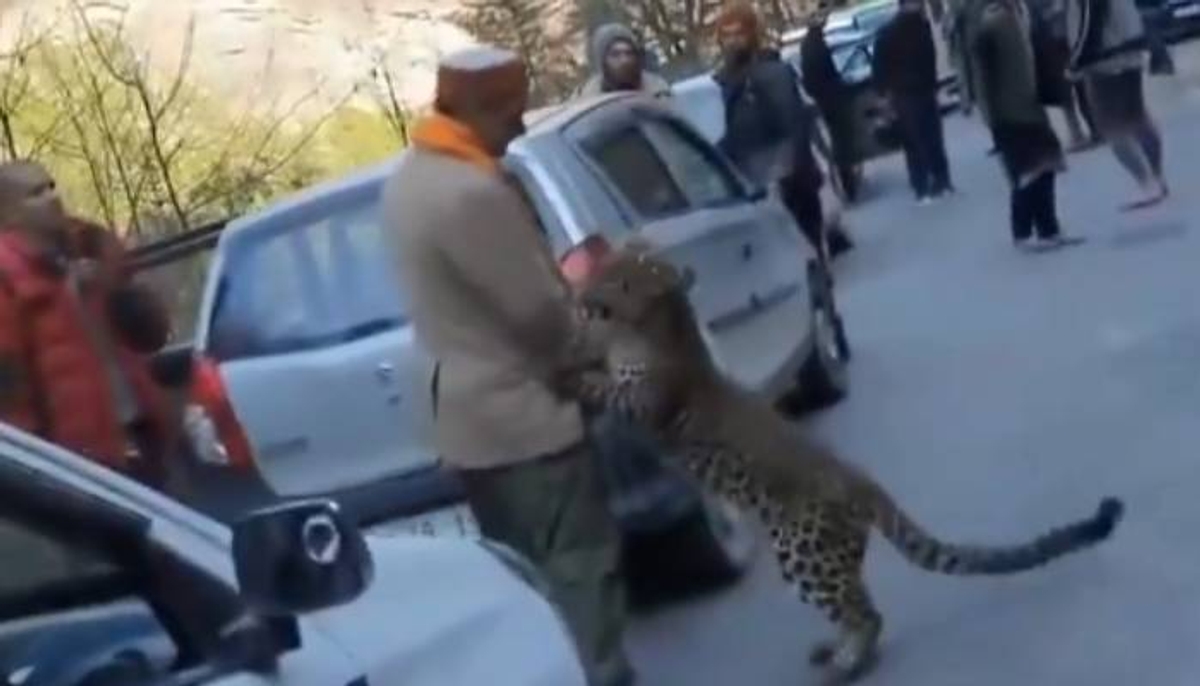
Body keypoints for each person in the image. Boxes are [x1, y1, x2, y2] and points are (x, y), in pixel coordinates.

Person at [381, 46, 634, 686]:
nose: (519, 126)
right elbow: (540, 314)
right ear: (478, 108)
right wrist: (603, 350)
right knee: (580, 569)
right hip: (528, 420)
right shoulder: (472, 192)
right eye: (510, 112)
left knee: (529, 586)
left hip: (471, 426)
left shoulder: (408, 179)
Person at [0, 161, 176, 485]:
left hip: (142, 432)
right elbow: (9, 392)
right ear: (9, 213)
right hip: (81, 464)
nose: (52, 197)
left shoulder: (85, 250)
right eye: (35, 194)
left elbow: (149, 329)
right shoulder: (8, 278)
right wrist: (36, 471)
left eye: (51, 185)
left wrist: (109, 284)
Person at [713, 3, 852, 260]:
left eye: (738, 33)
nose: (732, 41)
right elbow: (729, 130)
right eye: (726, 35)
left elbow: (794, 123)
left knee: (807, 243)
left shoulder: (772, 71)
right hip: (750, 172)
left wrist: (791, 169)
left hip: (786, 173)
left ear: (752, 35)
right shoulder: (722, 83)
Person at [970, 0, 1083, 250]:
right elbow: (981, 77)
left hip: (1031, 103)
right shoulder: (992, 24)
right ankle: (1022, 232)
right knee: (1027, 172)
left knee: (1047, 165)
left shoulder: (1023, 13)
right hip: (1009, 111)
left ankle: (1048, 228)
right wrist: (990, 117)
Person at [1066, 0, 1169, 210]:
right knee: (1138, 116)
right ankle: (1158, 176)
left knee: (1112, 127)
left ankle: (1146, 183)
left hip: (1104, 59)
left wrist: (1075, 62)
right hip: (1130, 51)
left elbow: (1088, 24)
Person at [874, 0, 955, 203]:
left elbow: (881, 69)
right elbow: (928, 58)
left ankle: (928, 185)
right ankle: (936, 182)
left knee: (920, 140)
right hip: (913, 92)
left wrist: (884, 94)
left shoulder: (893, 31)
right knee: (926, 139)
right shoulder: (908, 28)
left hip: (910, 93)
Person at [800, 6, 861, 202]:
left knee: (838, 143)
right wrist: (837, 87)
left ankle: (847, 182)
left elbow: (810, 79)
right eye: (820, 18)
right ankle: (848, 184)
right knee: (842, 143)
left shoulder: (810, 45)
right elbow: (825, 74)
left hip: (823, 100)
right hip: (831, 101)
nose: (824, 20)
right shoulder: (816, 46)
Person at [579, 23, 671, 98]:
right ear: (602, 61)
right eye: (615, 55)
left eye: (629, 53)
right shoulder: (589, 100)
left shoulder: (658, 89)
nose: (624, 60)